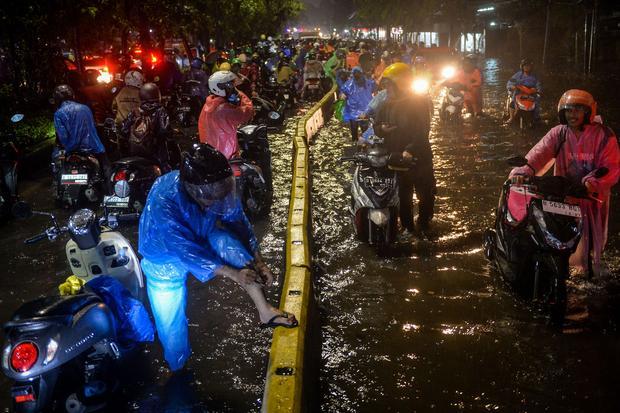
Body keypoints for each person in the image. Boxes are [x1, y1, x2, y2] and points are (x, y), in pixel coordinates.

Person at [139, 144, 297, 371]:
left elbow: (239, 222)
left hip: (202, 233)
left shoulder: (217, 192)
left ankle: (265, 311)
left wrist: (257, 260)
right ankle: (178, 367)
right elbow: (185, 250)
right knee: (171, 326)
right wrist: (233, 273)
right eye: (211, 193)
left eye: (221, 188)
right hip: (165, 257)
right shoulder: (164, 199)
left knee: (229, 242)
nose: (217, 197)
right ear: (191, 188)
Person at [509, 89, 620, 277]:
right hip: (563, 199)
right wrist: (522, 171)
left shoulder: (604, 135)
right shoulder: (559, 134)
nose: (572, 114)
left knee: (591, 247)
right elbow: (538, 154)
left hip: (592, 199)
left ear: (589, 112)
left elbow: (611, 166)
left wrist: (592, 183)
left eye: (578, 110)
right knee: (557, 239)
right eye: (568, 110)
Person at [373, 63, 435, 232]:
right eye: (385, 85)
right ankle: (407, 227)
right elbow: (376, 125)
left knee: (426, 195)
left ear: (400, 84)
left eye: (389, 85)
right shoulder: (386, 104)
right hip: (396, 158)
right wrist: (382, 130)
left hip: (419, 158)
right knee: (403, 196)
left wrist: (410, 150)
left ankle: (424, 224)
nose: (387, 89)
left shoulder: (419, 103)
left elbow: (423, 130)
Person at [52, 84, 112, 191]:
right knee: (106, 166)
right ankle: (109, 192)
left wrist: (67, 148)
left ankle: (58, 188)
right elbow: (92, 126)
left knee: (56, 165)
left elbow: (63, 136)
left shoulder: (58, 113)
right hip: (93, 147)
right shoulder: (85, 108)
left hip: (71, 150)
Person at [198, 71, 254, 159]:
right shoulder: (224, 110)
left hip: (211, 153)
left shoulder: (209, 103)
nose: (233, 89)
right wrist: (241, 95)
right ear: (219, 88)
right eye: (230, 86)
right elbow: (247, 112)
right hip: (226, 154)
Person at [121, 83, 172, 171]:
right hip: (155, 152)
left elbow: (124, 130)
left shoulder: (135, 111)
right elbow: (164, 130)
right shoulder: (160, 111)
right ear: (157, 95)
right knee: (166, 171)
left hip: (135, 152)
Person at [339, 67, 376, 142]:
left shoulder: (368, 83)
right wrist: (342, 95)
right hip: (354, 110)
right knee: (355, 128)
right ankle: (357, 143)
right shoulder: (349, 84)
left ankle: (363, 144)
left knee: (364, 129)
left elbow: (375, 89)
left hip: (364, 110)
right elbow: (342, 92)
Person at [506, 58, 542, 123]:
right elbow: (510, 82)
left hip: (531, 94)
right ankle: (511, 118)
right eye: (525, 66)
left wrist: (537, 90)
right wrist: (512, 86)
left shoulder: (535, 76)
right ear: (522, 67)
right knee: (513, 103)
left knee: (537, 101)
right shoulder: (518, 75)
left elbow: (538, 84)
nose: (526, 67)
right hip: (519, 92)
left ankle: (536, 117)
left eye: (528, 66)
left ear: (531, 67)